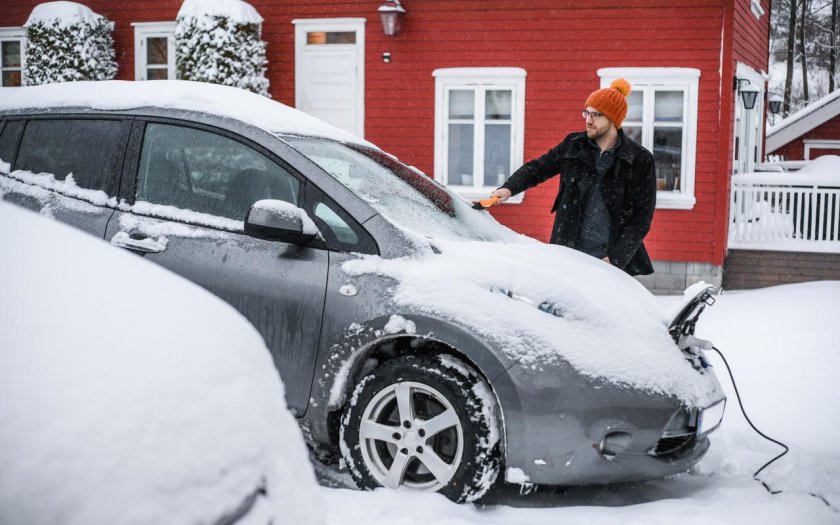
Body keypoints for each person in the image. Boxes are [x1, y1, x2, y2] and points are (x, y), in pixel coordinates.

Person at [490, 79, 656, 276]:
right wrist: (509, 188)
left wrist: (615, 258)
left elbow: (641, 219)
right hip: (568, 254)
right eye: (587, 113)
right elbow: (538, 168)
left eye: (596, 115)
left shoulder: (639, 160)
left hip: (610, 262)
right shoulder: (574, 145)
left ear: (613, 119)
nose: (588, 120)